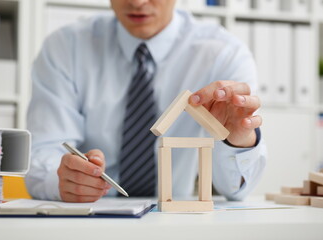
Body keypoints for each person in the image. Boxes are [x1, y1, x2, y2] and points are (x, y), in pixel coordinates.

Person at [26, 0, 267, 202]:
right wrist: (64, 178)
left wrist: (239, 142)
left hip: (177, 218)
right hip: (93, 214)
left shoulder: (225, 54)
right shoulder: (65, 47)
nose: (137, 2)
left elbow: (237, 190)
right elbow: (43, 152)